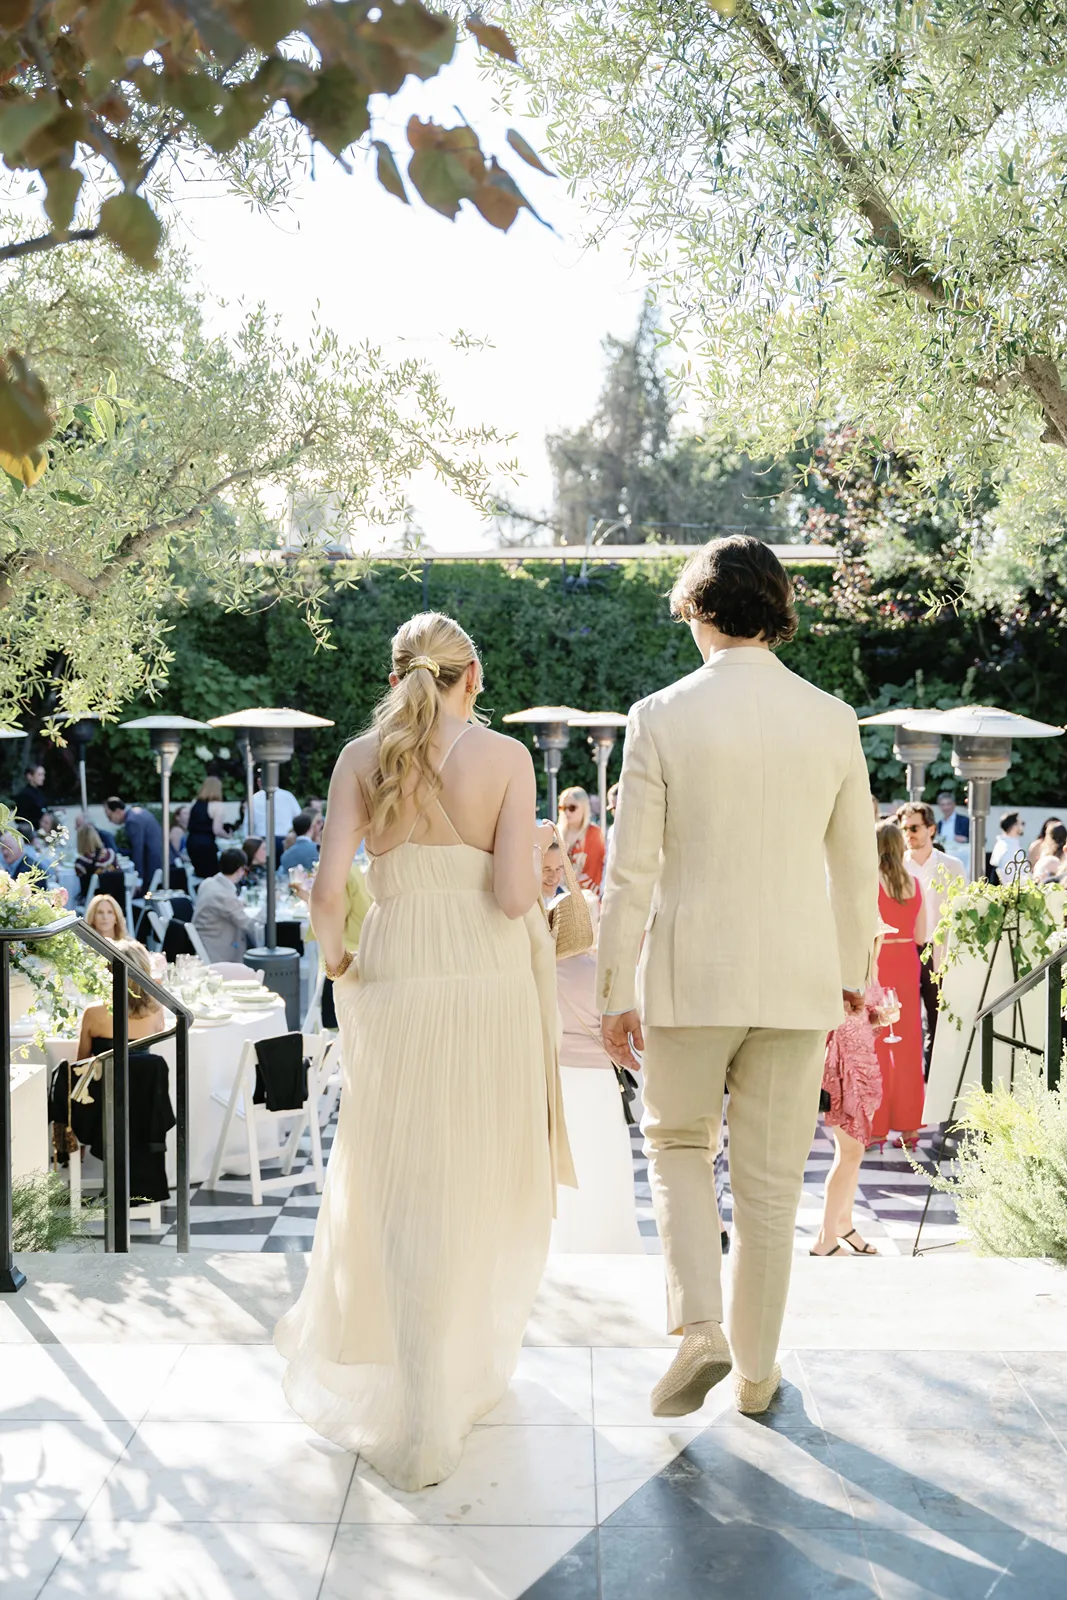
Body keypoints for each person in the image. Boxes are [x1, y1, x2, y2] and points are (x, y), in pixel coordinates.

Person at [275, 610, 569, 1492]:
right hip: (487, 982)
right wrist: (543, 877)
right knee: (476, 1174)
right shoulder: (509, 760)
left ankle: (416, 1401)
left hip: (395, 980)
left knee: (398, 1179)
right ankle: (453, 1383)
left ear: (396, 672)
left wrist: (339, 965)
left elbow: (329, 892)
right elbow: (516, 895)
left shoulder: (357, 760)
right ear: (470, 677)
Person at [597, 535, 877, 1420]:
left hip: (690, 973)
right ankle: (757, 1378)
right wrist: (850, 972)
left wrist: (613, 988)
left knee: (677, 1145)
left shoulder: (660, 715)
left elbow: (630, 872)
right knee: (767, 1184)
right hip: (798, 981)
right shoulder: (832, 720)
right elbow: (853, 868)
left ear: (701, 609)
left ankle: (698, 1329)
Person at [813, 942, 890, 1258]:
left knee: (853, 1153)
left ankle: (843, 1224)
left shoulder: (868, 965)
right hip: (842, 1070)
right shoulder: (835, 963)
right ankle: (824, 1239)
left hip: (863, 1066)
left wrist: (877, 1019)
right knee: (850, 1152)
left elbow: (863, 1020)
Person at [868, 821, 928, 1149]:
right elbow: (921, 936)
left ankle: (876, 1129)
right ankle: (910, 1129)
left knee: (877, 1044)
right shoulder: (916, 883)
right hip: (907, 961)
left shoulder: (870, 883)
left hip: (879, 963)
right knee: (908, 1046)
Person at [900, 801, 965, 1076]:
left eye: (914, 828)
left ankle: (935, 1078)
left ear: (931, 829)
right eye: (904, 829)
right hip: (903, 952)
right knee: (903, 1021)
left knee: (938, 1019)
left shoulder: (952, 866)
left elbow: (962, 916)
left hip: (938, 952)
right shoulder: (895, 867)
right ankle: (908, 1079)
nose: (909, 834)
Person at [76, 939, 165, 1062]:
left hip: (104, 1080)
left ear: (108, 972)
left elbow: (81, 1062)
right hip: (145, 1080)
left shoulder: (93, 1012)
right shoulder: (155, 1010)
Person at [192, 846, 258, 962]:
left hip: (205, 943)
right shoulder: (224, 896)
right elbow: (249, 925)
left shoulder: (208, 883)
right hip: (219, 953)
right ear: (240, 870)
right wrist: (270, 905)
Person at [104, 797, 163, 896]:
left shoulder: (132, 821)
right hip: (158, 861)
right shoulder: (137, 813)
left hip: (151, 865)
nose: (110, 821)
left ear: (117, 811)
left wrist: (138, 878)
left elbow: (138, 850)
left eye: (109, 817)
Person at [558, 785, 606, 892]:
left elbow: (594, 872)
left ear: (584, 808)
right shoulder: (557, 833)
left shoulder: (593, 833)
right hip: (558, 895)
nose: (567, 812)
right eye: (562, 808)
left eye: (572, 808)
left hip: (586, 896)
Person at [251, 777, 302, 858]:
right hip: (281, 839)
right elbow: (299, 818)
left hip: (266, 841)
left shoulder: (254, 798)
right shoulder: (288, 796)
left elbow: (248, 823)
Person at [186, 777, 226, 879]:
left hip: (192, 842)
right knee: (214, 875)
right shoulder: (217, 806)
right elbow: (216, 830)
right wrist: (228, 836)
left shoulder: (195, 803)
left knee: (201, 874)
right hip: (206, 844)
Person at [74, 823, 118, 903]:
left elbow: (84, 889)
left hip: (93, 903)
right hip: (115, 900)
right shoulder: (111, 854)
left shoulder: (82, 863)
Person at [989, 810, 1027, 883]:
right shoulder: (1009, 848)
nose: (1023, 826)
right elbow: (1010, 877)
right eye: (1022, 823)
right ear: (1014, 826)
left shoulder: (1002, 845)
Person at [935, 789, 970, 864]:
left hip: (962, 856)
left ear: (954, 804)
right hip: (945, 856)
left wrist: (966, 839)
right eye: (943, 805)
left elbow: (979, 839)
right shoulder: (939, 824)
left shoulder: (964, 821)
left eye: (948, 804)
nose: (946, 807)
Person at [13, 763, 47, 829]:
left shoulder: (39, 793)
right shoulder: (24, 794)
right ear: (30, 776)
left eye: (43, 775)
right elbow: (19, 818)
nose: (43, 778)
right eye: (39, 775)